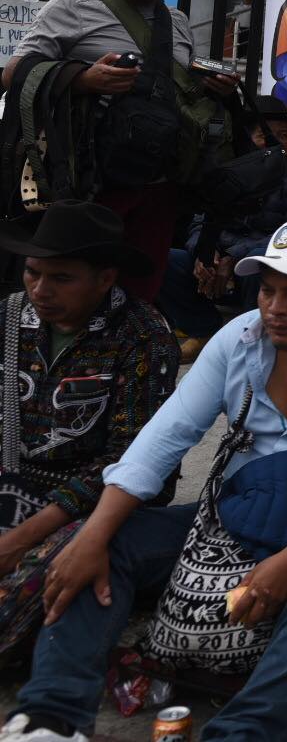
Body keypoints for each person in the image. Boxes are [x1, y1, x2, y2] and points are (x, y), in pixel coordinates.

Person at [6, 217, 287, 741]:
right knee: (101, 547)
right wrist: (92, 532)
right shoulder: (240, 338)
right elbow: (164, 437)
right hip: (235, 513)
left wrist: (286, 564)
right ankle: (51, 717)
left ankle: (242, 734)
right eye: (267, 290)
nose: (275, 307)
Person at [2, 0, 237, 299]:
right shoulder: (71, 6)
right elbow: (13, 72)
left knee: (140, 288)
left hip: (159, 184)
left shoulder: (176, 22)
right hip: (90, 182)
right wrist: (82, 78)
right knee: (76, 288)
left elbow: (181, 97)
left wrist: (217, 89)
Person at [0, 202, 178, 658]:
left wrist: (24, 536)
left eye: (61, 278)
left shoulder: (143, 335)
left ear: (105, 278)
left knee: (39, 588)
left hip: (92, 510)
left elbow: (136, 462)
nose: (40, 289)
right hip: (9, 486)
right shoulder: (8, 318)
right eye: (33, 273)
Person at [158, 96, 287, 357]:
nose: (274, 142)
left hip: (262, 262)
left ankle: (255, 344)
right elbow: (200, 221)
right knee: (167, 260)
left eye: (283, 135)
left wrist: (235, 257)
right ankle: (202, 330)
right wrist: (206, 254)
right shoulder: (228, 169)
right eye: (265, 135)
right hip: (218, 264)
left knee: (258, 265)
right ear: (249, 138)